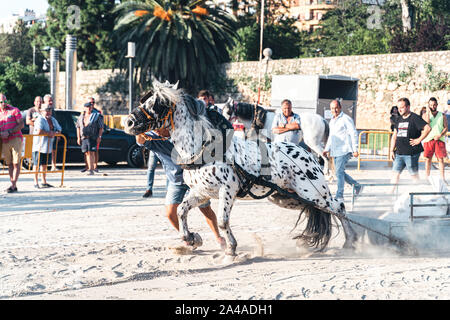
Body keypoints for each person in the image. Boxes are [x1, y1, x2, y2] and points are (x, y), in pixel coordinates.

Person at [136, 130, 225, 249]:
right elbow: (140, 140)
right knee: (170, 213)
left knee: (205, 209)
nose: (158, 127)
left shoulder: (181, 130)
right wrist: (138, 129)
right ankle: (187, 238)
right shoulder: (153, 138)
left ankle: (218, 237)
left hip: (194, 178)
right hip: (176, 180)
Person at [323, 100, 362, 200]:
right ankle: (357, 186)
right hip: (335, 151)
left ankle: (339, 195)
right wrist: (326, 149)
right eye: (332, 108)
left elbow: (353, 133)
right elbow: (331, 136)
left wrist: (355, 149)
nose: (334, 110)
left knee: (339, 172)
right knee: (338, 172)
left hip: (345, 150)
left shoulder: (346, 119)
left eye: (336, 108)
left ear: (340, 108)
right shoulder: (332, 121)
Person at [389, 98, 431, 187]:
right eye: (398, 107)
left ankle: (417, 195)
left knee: (414, 175)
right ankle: (390, 194)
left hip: (411, 153)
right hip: (399, 153)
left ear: (408, 107)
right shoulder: (398, 119)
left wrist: (419, 140)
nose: (399, 109)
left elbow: (428, 128)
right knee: (394, 174)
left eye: (402, 107)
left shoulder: (414, 118)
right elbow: (395, 135)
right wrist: (391, 150)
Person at [32, 104, 62, 188]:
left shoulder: (53, 119)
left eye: (50, 110)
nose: (48, 112)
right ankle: (35, 182)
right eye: (46, 110)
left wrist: (54, 133)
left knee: (44, 164)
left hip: (47, 146)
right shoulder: (40, 119)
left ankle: (44, 181)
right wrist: (49, 133)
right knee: (36, 164)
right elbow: (39, 131)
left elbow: (59, 129)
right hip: (38, 146)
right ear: (42, 111)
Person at [0, 93, 24, 193]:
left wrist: (9, 132)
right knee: (9, 163)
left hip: (15, 138)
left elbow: (21, 124)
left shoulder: (14, 110)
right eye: (1, 101)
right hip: (4, 140)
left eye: (5, 100)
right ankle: (12, 184)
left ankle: (13, 185)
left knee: (16, 163)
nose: (3, 103)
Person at [422, 97, 448, 182]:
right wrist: (428, 114)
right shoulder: (425, 115)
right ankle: (427, 177)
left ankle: (442, 178)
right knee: (428, 159)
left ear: (437, 105)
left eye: (434, 105)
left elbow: (446, 128)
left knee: (440, 159)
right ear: (428, 105)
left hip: (439, 139)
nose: (432, 106)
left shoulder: (442, 115)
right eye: (431, 105)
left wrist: (440, 135)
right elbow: (427, 126)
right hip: (428, 139)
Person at [76, 102, 104, 175]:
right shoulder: (81, 116)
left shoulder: (96, 116)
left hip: (92, 137)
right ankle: (88, 167)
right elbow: (78, 127)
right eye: (87, 107)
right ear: (84, 108)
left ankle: (91, 169)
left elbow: (101, 127)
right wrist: (78, 137)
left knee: (91, 152)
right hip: (84, 137)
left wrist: (99, 137)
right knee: (86, 153)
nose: (88, 108)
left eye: (90, 107)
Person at [43, 94, 58, 170]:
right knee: (43, 150)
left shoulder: (53, 110)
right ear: (45, 101)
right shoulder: (42, 110)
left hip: (52, 132)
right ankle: (42, 167)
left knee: (53, 149)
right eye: (49, 101)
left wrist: (57, 133)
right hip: (44, 134)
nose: (51, 102)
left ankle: (53, 165)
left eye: (52, 100)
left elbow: (55, 121)